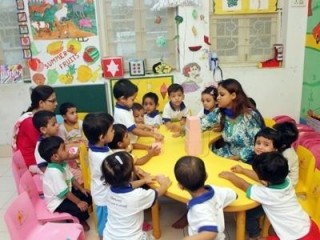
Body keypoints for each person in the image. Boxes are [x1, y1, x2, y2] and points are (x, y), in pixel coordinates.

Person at [219, 152, 320, 240]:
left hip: (296, 237)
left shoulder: (268, 194)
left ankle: (255, 235)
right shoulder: (286, 180)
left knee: (252, 216)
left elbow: (245, 186)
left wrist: (231, 176)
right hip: (309, 226)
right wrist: (243, 170)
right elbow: (262, 180)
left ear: (264, 180)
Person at [100, 151, 171, 240]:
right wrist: (165, 184)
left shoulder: (108, 190)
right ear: (132, 174)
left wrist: (144, 181)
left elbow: (128, 185)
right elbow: (156, 193)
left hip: (109, 236)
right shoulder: (137, 196)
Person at [232, 127, 281, 239]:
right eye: (258, 143)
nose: (260, 147)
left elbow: (260, 181)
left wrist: (235, 176)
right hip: (265, 193)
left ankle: (255, 234)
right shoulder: (261, 158)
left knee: (248, 214)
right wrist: (243, 170)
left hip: (270, 201)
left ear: (275, 149)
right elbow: (260, 178)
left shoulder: (272, 165)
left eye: (266, 144)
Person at [174, 156, 237, 239]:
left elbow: (210, 233)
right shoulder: (216, 190)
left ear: (180, 186)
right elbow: (233, 195)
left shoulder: (199, 209)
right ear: (206, 176)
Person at [38, 136, 92, 231]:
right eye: (64, 149)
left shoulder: (62, 164)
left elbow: (71, 179)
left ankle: (82, 211)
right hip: (58, 201)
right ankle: (79, 220)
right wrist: (78, 202)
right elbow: (64, 193)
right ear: (55, 156)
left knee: (87, 195)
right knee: (77, 208)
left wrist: (82, 189)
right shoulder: (54, 172)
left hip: (66, 193)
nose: (67, 150)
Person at [205, 79, 264, 162]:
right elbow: (200, 124)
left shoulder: (249, 116)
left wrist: (237, 157)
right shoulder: (219, 112)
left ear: (233, 95)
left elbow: (257, 145)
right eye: (217, 94)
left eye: (221, 95)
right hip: (228, 153)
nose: (217, 98)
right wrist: (182, 128)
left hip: (247, 159)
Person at [82, 112, 114, 239]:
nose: (114, 131)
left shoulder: (95, 146)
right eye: (112, 129)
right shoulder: (102, 158)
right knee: (104, 225)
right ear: (102, 137)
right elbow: (113, 175)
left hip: (101, 191)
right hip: (103, 197)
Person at [12, 85, 57, 173]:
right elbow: (47, 147)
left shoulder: (41, 117)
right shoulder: (30, 122)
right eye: (52, 101)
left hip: (39, 158)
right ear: (41, 103)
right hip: (33, 165)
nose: (56, 103)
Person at [113, 79, 163, 145]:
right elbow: (134, 131)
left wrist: (145, 126)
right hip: (128, 145)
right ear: (123, 99)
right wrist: (153, 134)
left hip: (132, 142)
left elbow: (132, 124)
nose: (134, 101)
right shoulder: (122, 113)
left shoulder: (126, 109)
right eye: (132, 99)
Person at [58, 102, 84, 184]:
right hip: (71, 152)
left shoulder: (80, 123)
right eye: (72, 113)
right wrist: (72, 142)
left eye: (76, 112)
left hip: (81, 149)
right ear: (64, 116)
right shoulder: (61, 128)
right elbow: (63, 144)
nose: (76, 114)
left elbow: (85, 137)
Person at [273, 121, 299, 187]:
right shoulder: (283, 147)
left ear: (283, 145)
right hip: (282, 175)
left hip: (289, 183)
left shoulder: (288, 155)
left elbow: (283, 172)